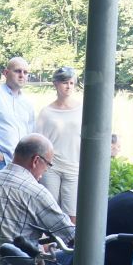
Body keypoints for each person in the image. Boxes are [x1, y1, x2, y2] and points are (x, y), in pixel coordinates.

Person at [0, 133, 75, 265]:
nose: (45, 172)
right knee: (77, 256)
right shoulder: (35, 192)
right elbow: (71, 236)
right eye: (48, 165)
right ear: (36, 160)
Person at [36, 66, 82, 216]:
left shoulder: (82, 110)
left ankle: (70, 240)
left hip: (74, 166)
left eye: (71, 83)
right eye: (64, 83)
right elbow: (39, 142)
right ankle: (50, 240)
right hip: (51, 166)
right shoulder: (46, 112)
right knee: (50, 210)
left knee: (72, 212)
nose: (68, 86)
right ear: (55, 84)